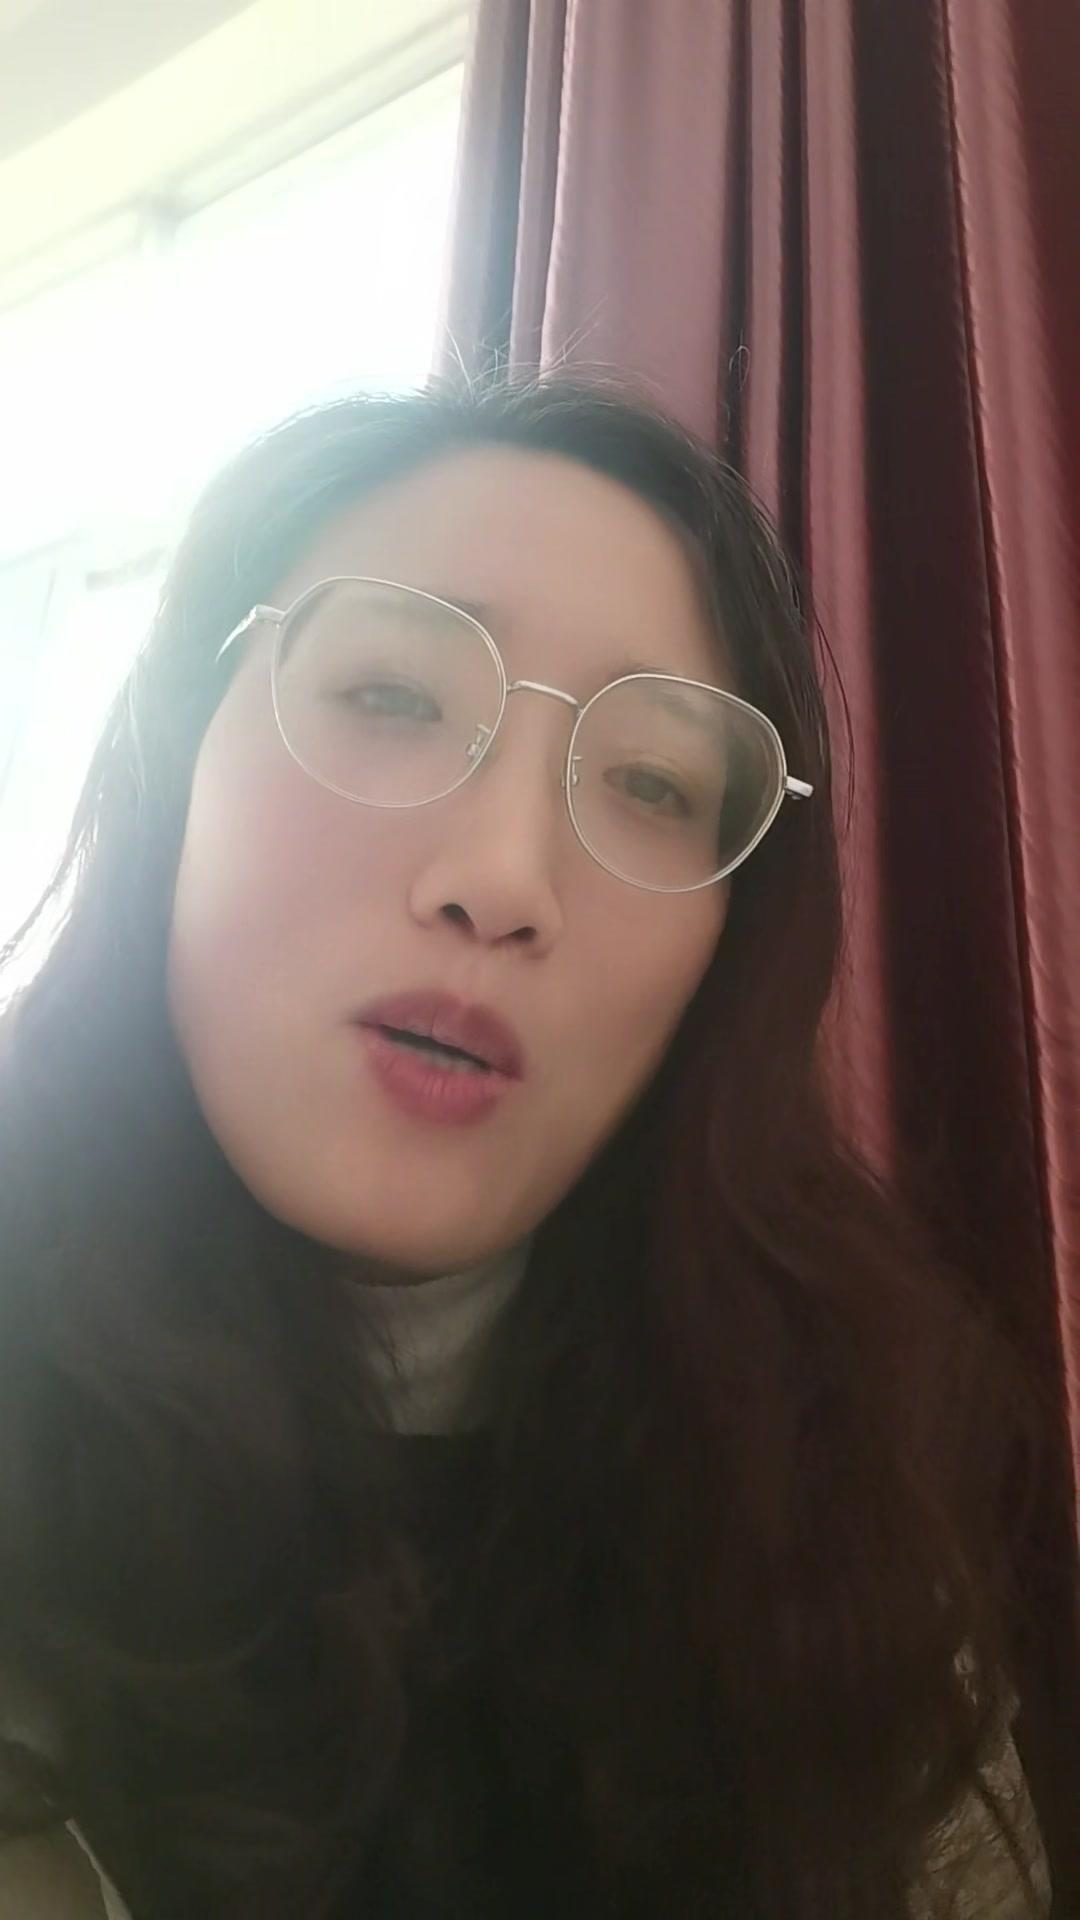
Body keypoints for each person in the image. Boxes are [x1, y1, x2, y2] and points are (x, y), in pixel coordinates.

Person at [0, 374, 1053, 1918]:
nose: (502, 879)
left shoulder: (845, 1477)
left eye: (651, 783)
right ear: (173, 760)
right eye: (390, 697)